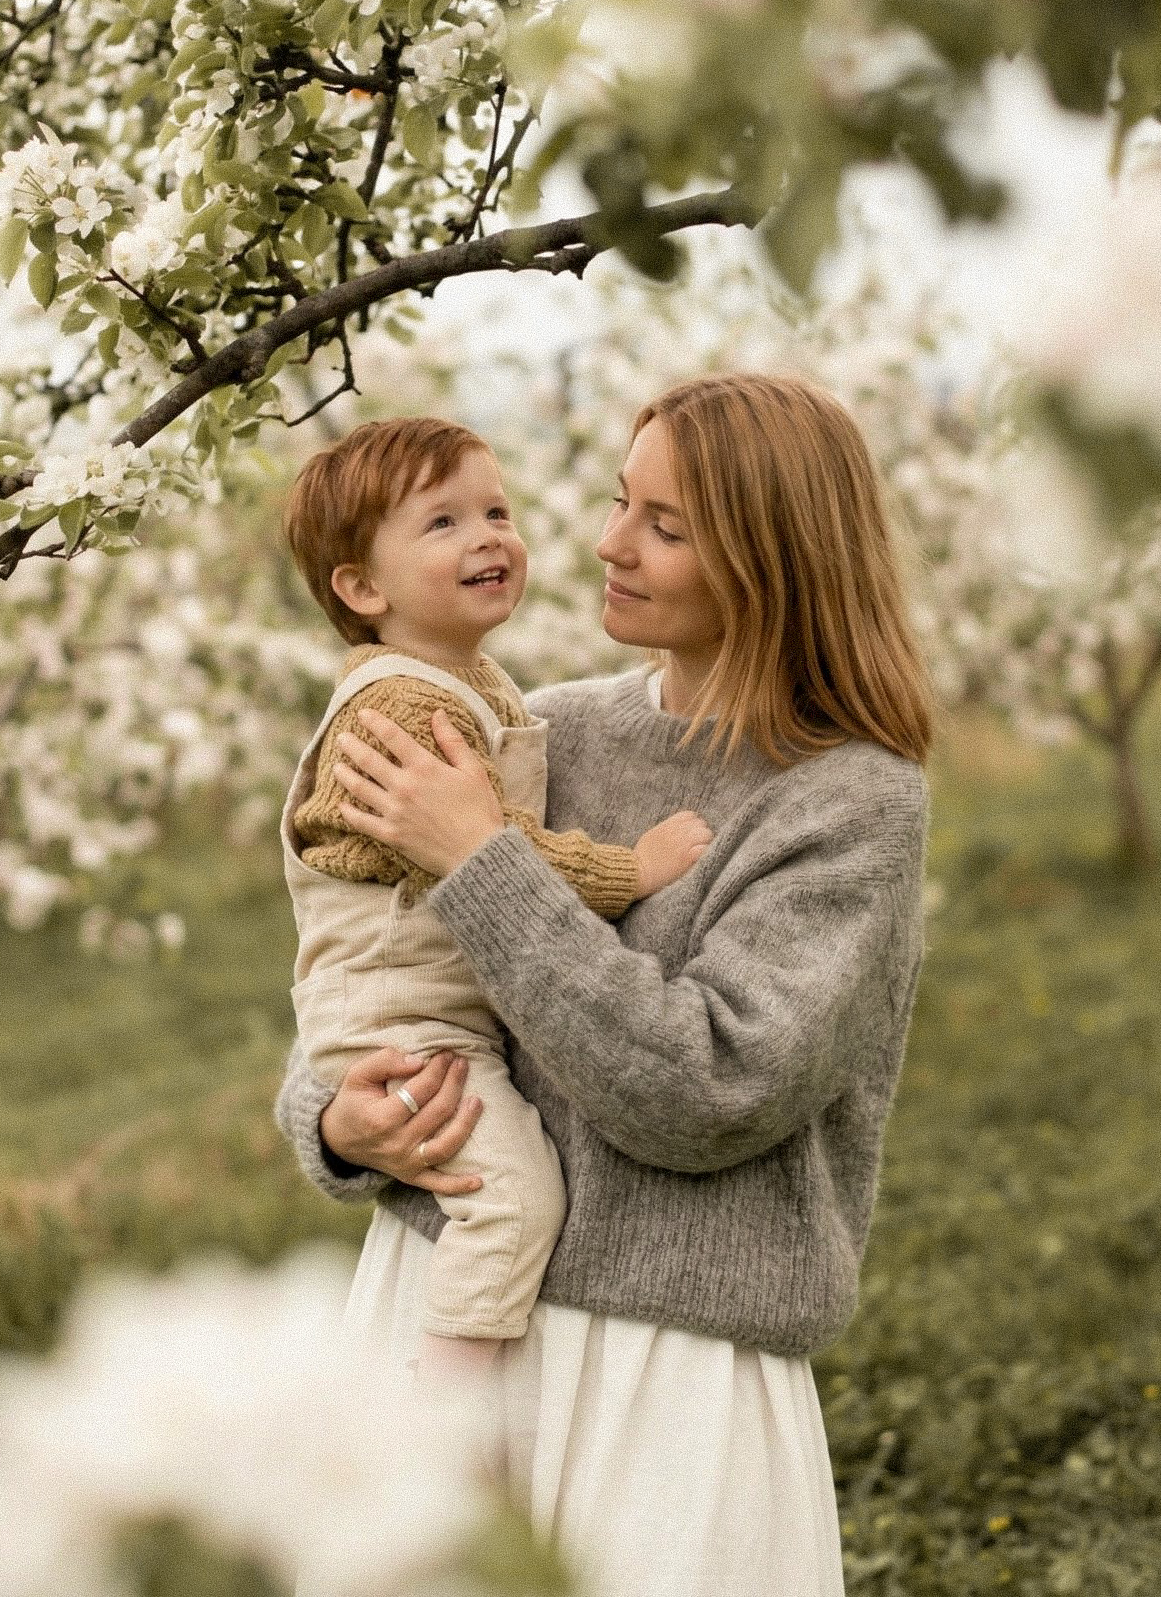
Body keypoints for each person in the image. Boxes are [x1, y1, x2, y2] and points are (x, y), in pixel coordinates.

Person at [274, 372, 933, 1597]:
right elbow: (373, 951)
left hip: (664, 1375)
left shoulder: (850, 802)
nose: (604, 542)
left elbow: (710, 1086)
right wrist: (333, 1115)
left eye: (665, 524)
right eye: (623, 500)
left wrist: (481, 858)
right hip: (443, 1305)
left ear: (772, 559)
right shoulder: (539, 730)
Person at [280, 415, 712, 1380]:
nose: (489, 537)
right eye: (442, 524)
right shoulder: (406, 707)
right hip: (406, 1018)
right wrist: (629, 873)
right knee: (511, 1202)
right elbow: (484, 856)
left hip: (417, 1008)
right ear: (361, 587)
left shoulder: (473, 683)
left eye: (497, 510)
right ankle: (445, 1408)